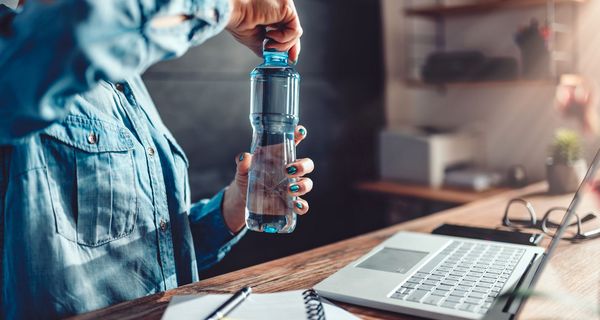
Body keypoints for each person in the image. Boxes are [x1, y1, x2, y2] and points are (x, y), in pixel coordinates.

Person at [0, 0, 312, 318]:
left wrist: (234, 205)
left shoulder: (124, 75)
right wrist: (234, 6)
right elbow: (78, 32)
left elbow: (147, 252)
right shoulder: (13, 54)